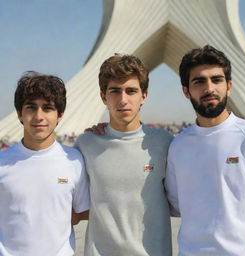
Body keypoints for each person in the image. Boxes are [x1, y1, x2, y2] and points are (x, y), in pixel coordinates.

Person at [75, 54, 174, 256]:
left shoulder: (165, 144)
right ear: (104, 96)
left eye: (131, 91)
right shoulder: (86, 145)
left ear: (144, 95)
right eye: (115, 91)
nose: (123, 100)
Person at [165, 45, 245, 255]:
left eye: (217, 80)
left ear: (229, 86)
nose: (209, 88)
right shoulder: (178, 146)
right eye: (199, 81)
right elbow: (177, 204)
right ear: (186, 91)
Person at [0, 72, 90, 256]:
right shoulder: (2, 162)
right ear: (19, 113)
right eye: (31, 108)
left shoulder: (73, 161)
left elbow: (82, 211)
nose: (38, 116)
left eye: (47, 108)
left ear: (60, 115)